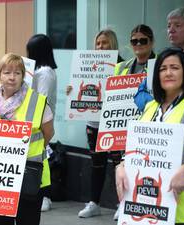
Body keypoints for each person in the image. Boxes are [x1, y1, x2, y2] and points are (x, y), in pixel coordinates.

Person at [116, 47, 184, 225]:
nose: (168, 73)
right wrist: (121, 167)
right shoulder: (150, 107)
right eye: (162, 68)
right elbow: (134, 149)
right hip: (147, 209)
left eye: (175, 68)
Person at [0, 53, 54, 225]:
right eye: (7, 72)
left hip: (30, 174)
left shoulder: (38, 101)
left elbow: (48, 133)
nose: (12, 77)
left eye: (17, 73)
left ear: (23, 75)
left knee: (27, 221)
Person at [66, 29, 123, 220]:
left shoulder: (122, 65)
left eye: (105, 43)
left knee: (118, 165)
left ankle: (122, 204)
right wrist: (71, 91)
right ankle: (94, 203)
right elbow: (79, 88)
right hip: (93, 122)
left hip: (114, 123)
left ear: (113, 44)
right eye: (98, 43)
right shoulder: (88, 63)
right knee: (96, 165)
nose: (101, 47)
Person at [134, 8, 184, 111]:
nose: (171, 30)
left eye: (177, 25)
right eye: (169, 26)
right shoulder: (163, 57)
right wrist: (157, 107)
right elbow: (141, 91)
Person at [26, 34, 57, 212]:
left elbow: (41, 98)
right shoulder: (41, 71)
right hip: (37, 121)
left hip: (41, 122)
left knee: (41, 160)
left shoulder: (44, 73)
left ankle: (45, 195)